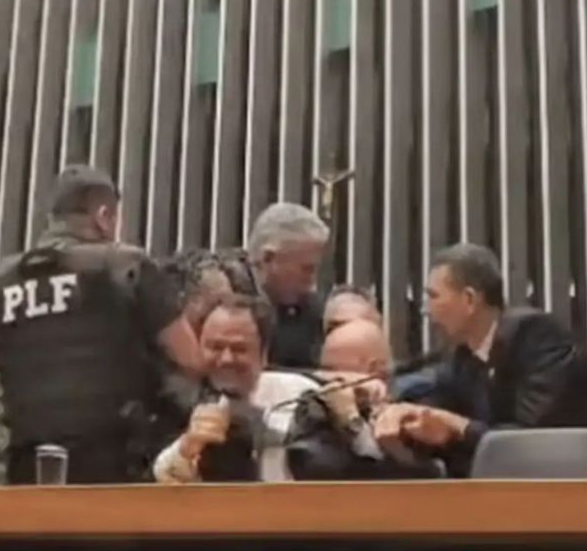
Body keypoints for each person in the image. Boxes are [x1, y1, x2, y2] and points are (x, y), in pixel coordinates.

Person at [371, 243, 587, 551]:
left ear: (469, 300)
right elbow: (428, 389)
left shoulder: (535, 336)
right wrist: (398, 408)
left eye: (433, 296)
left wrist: (456, 427)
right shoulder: (462, 358)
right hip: (572, 495)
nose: (425, 310)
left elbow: (530, 439)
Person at [0, 165, 203, 485]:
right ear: (103, 216)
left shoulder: (0, 282)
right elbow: (191, 360)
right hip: (116, 470)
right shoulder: (126, 265)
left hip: (29, 471)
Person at [152, 295, 321, 483]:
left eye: (239, 349)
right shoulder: (192, 401)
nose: (226, 359)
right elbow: (163, 472)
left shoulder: (301, 394)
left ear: (263, 354)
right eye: (215, 347)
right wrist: (189, 446)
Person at [286, 320, 444, 480]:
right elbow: (313, 466)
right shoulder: (319, 407)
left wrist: (353, 423)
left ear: (375, 370)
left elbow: (423, 476)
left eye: (333, 370)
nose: (326, 380)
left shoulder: (415, 405)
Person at [246, 203, 330, 369]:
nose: (312, 283)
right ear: (268, 259)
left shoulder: (313, 312)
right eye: (306, 270)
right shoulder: (222, 302)